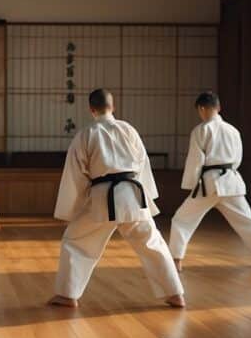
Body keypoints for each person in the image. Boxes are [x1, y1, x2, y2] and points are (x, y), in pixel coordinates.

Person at [48, 89, 185, 309]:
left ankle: (67, 295)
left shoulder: (86, 134)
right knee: (152, 242)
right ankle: (175, 293)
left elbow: (76, 175)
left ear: (91, 109)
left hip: (101, 198)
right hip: (133, 196)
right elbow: (142, 164)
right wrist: (148, 198)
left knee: (76, 242)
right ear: (113, 107)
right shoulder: (129, 130)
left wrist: (72, 209)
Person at [169, 92, 251, 271]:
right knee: (247, 221)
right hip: (231, 182)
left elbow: (195, 160)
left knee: (182, 220)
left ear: (201, 109)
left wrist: (192, 184)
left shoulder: (201, 130)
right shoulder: (233, 131)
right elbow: (237, 160)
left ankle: (176, 260)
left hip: (208, 184)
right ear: (219, 108)